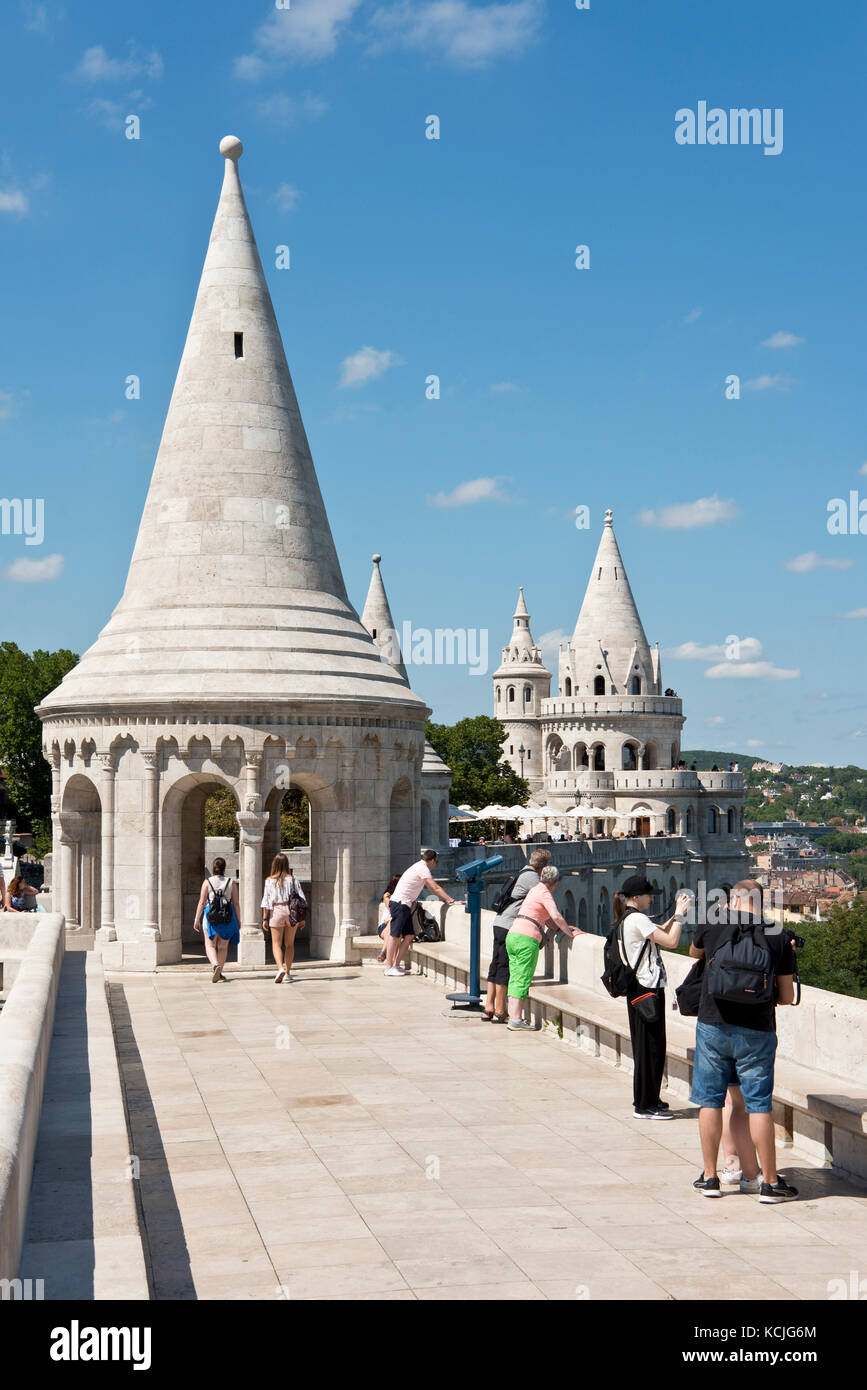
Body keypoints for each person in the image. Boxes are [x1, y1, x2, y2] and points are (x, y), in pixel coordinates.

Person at [689, 879, 798, 1202]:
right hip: (757, 1029)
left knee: (710, 1101)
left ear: (733, 900)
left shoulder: (713, 924)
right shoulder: (777, 934)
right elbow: (786, 997)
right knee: (758, 1104)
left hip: (713, 1024)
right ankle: (768, 1182)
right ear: (761, 902)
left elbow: (695, 952)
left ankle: (711, 1177)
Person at [613, 874, 692, 1119]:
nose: (651, 899)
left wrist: (677, 914)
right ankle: (645, 1106)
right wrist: (679, 915)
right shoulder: (636, 918)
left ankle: (649, 1098)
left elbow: (659, 931)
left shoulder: (628, 918)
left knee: (647, 1046)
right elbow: (671, 940)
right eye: (649, 895)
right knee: (650, 1048)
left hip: (639, 990)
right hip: (646, 989)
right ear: (637, 897)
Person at [505, 865, 587, 1031]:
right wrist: (570, 933)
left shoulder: (535, 890)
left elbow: (547, 919)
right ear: (555, 882)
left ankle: (512, 1016)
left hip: (513, 934)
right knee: (522, 978)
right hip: (526, 938)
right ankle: (515, 1019)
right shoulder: (545, 893)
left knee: (515, 976)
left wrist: (560, 929)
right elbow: (555, 915)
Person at [482, 849, 551, 1023]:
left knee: (496, 965)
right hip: (509, 925)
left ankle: (488, 1007)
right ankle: (499, 1011)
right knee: (504, 968)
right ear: (544, 866)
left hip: (499, 922)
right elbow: (541, 905)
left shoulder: (522, 871)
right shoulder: (533, 879)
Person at [384, 850, 456, 977]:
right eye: (436, 862)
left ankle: (396, 965)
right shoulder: (423, 868)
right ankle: (388, 967)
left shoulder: (418, 866)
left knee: (409, 936)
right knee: (395, 935)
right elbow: (434, 887)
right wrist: (450, 900)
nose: (435, 865)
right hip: (400, 904)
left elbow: (432, 889)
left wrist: (444, 898)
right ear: (433, 860)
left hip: (405, 904)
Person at [193, 857, 240, 983]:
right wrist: (239, 920)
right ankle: (220, 971)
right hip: (227, 917)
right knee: (223, 947)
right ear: (224, 868)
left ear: (213, 867)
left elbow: (202, 902)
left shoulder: (207, 882)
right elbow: (236, 903)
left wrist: (197, 919)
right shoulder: (231, 882)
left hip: (210, 917)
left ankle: (215, 966)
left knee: (210, 945)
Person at [261, 853, 307, 983]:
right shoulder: (293, 880)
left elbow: (266, 901)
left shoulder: (269, 881)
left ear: (274, 865)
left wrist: (265, 918)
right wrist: (302, 918)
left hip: (276, 911)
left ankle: (280, 968)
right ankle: (287, 973)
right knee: (289, 944)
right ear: (287, 864)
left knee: (276, 944)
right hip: (292, 912)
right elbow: (301, 899)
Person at [375, 875, 400, 964]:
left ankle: (388, 959)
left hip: (393, 924)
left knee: (395, 934)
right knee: (392, 926)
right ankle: (384, 953)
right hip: (383, 926)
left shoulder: (402, 897)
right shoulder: (387, 896)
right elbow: (392, 910)